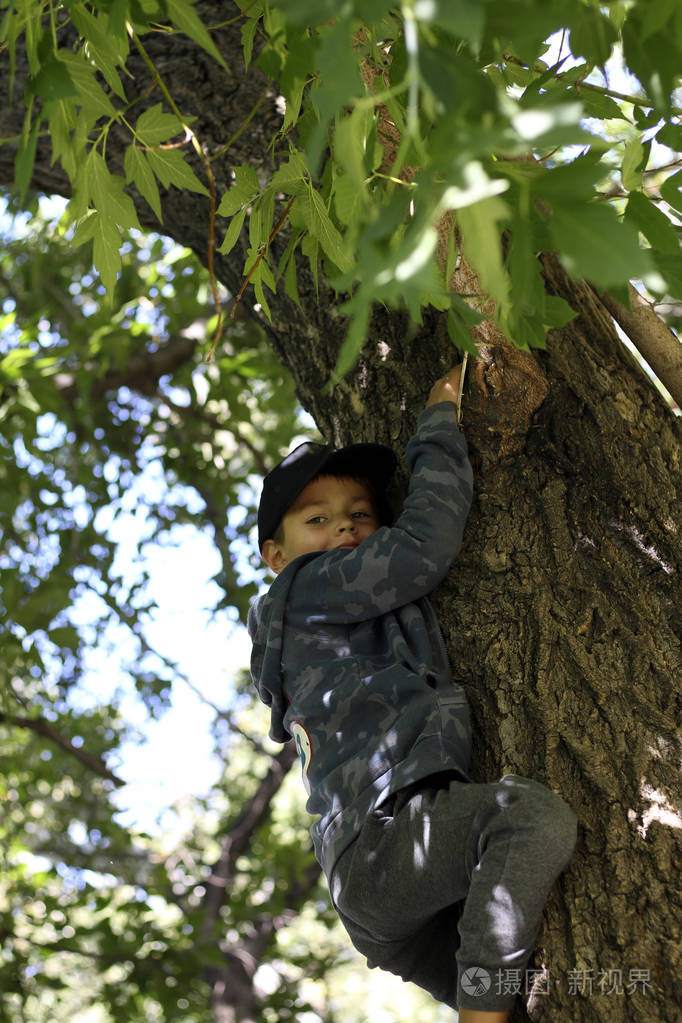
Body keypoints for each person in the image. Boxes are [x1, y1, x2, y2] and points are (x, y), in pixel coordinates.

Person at [248, 365, 577, 1022]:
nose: (344, 529)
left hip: (382, 887)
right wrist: (439, 420)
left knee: (541, 1002)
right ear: (275, 555)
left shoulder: (338, 606)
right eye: (317, 518)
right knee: (527, 818)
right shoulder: (306, 588)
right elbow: (424, 545)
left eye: (361, 514)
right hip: (384, 840)